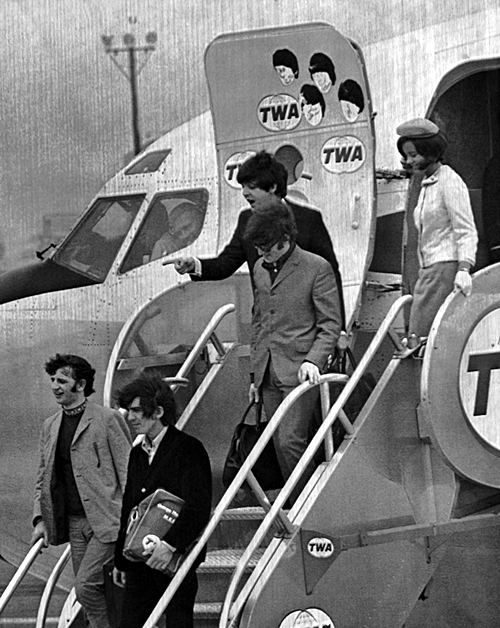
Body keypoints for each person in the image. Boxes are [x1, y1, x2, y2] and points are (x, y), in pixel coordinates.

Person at [172, 150, 346, 328]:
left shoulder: (308, 220)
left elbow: (331, 276)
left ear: (272, 187)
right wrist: (193, 265)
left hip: (306, 328)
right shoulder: (245, 219)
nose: (245, 193)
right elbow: (225, 264)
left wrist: (339, 330)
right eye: (243, 187)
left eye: (251, 187)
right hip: (267, 328)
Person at [245, 202, 342, 503]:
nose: (262, 255)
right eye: (259, 249)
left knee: (290, 441)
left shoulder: (317, 268)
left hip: (301, 371)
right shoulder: (260, 269)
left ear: (285, 239)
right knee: (279, 442)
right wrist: (255, 376)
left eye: (268, 249)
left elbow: (330, 325)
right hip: (269, 372)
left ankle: (310, 504)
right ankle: (304, 502)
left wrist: (314, 360)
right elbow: (260, 321)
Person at [31, 354, 132, 628]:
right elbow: (44, 476)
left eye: (62, 380)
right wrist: (40, 519)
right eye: (52, 380)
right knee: (91, 593)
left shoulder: (107, 419)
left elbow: (129, 473)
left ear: (81, 384)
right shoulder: (50, 426)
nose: (54, 385)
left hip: (108, 521)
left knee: (85, 585)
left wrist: (132, 522)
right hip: (74, 524)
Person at [113, 372, 212, 628]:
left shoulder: (189, 449)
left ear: (158, 412)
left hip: (175, 558)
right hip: (139, 560)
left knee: (178, 623)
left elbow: (198, 508)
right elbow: (129, 508)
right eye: (127, 410)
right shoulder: (137, 453)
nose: (130, 417)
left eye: (136, 410)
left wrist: (169, 545)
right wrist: (121, 560)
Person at [396, 118, 478, 353]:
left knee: (420, 335)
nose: (410, 161)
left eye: (414, 155)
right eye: (407, 155)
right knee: (419, 335)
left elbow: (466, 229)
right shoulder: (426, 183)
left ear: (429, 151)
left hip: (445, 267)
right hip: (430, 269)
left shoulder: (449, 181)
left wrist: (464, 268)